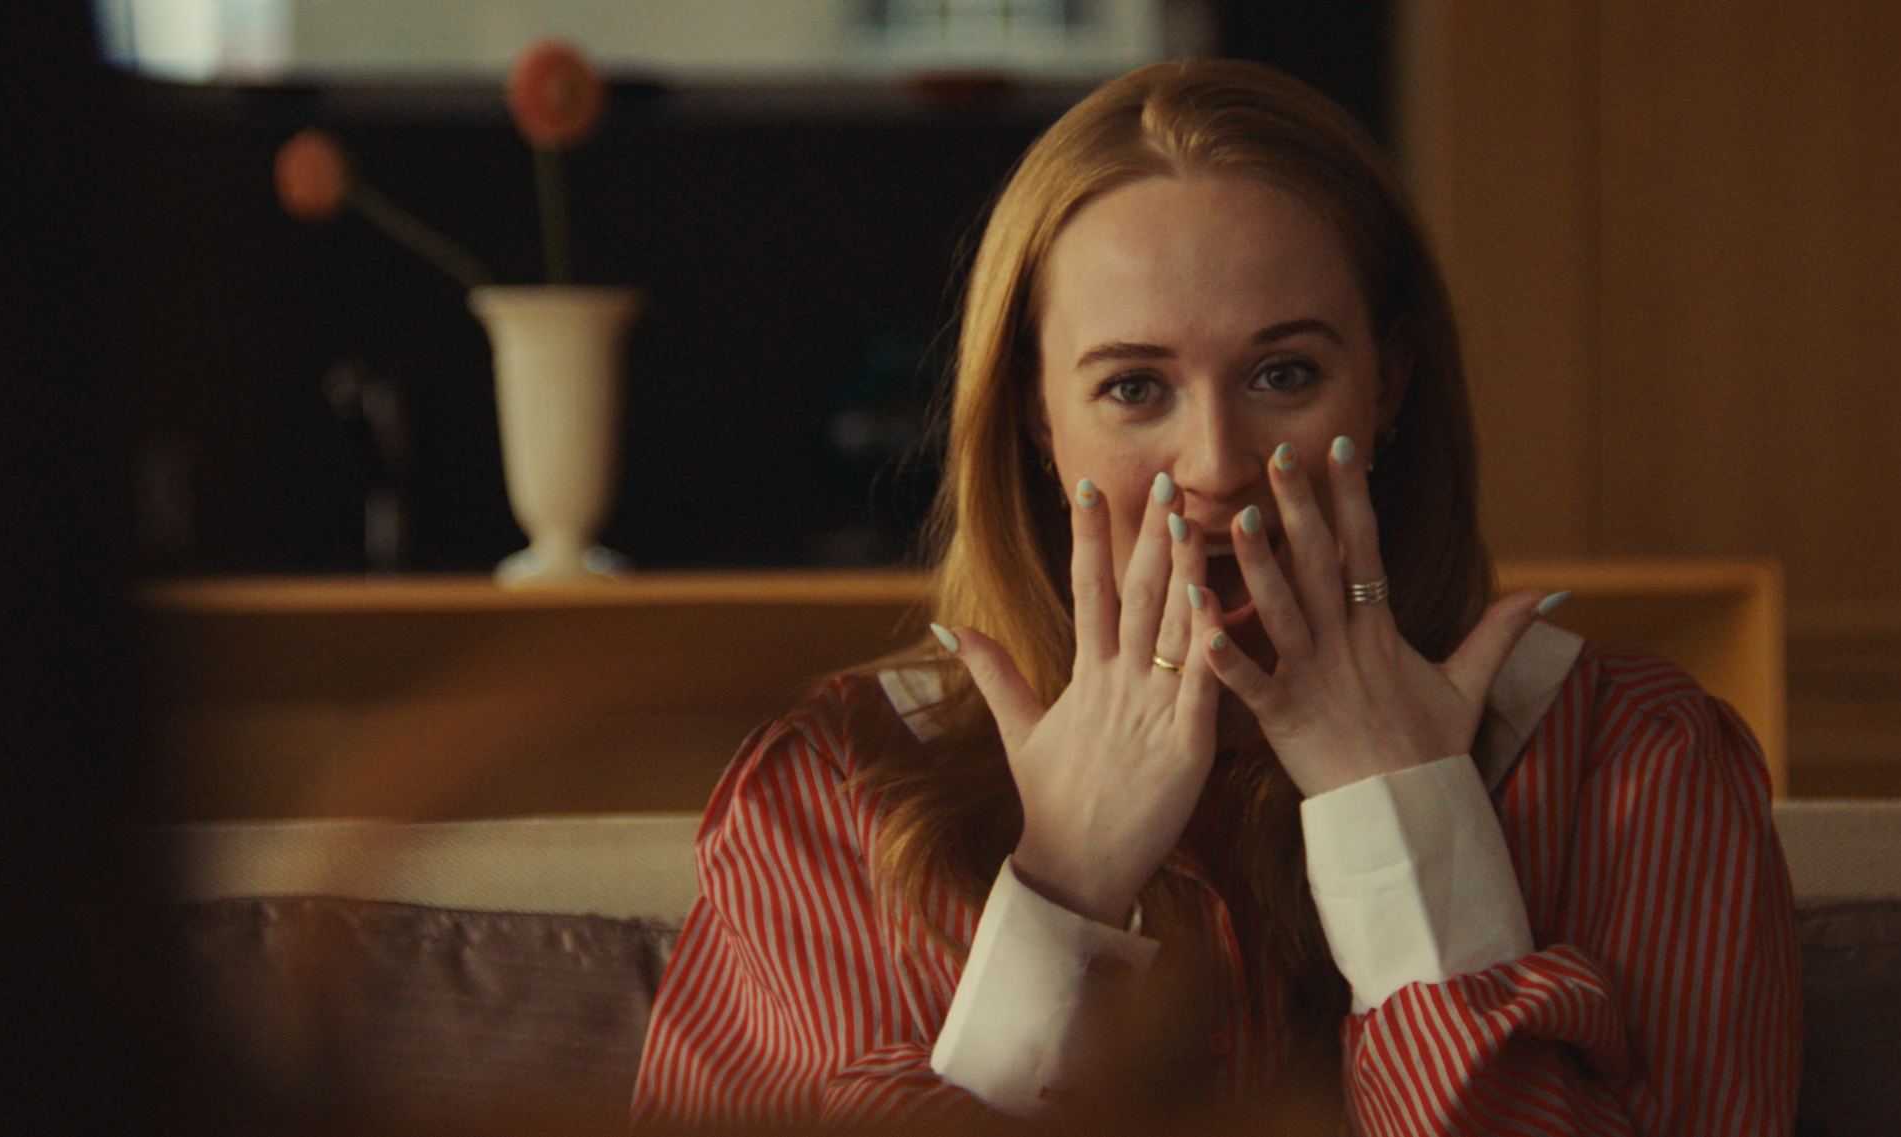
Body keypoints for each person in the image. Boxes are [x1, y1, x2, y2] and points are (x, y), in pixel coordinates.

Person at [633, 59, 1801, 1135]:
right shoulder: (831, 791)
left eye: (1283, 374)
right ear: (1035, 413)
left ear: (1388, 383)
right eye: (1134, 388)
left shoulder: (1635, 760)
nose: (1215, 465)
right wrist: (1060, 896)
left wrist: (1403, 833)